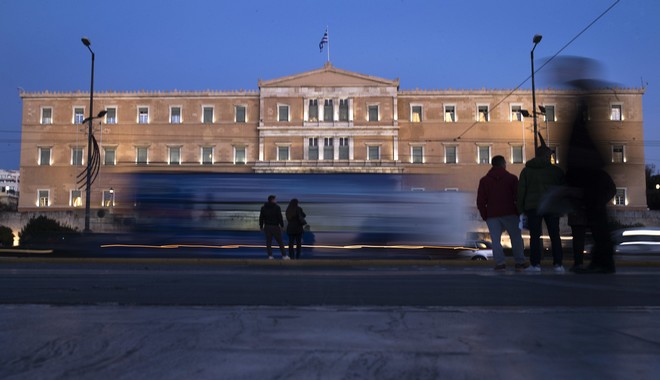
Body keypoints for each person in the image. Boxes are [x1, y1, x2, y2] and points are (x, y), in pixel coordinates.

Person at [518, 139, 565, 272]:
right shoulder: (556, 171)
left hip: (533, 207)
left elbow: (521, 191)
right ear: (546, 156)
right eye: (550, 155)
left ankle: (535, 264)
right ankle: (558, 264)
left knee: (535, 236)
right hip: (551, 207)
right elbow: (562, 191)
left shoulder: (527, 171)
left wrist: (521, 209)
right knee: (555, 235)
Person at [477, 155, 527, 272]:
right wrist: (519, 212)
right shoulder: (512, 179)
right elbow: (518, 197)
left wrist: (485, 215)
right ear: (503, 164)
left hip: (492, 215)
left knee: (495, 240)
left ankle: (500, 263)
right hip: (510, 213)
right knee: (516, 238)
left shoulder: (484, 180)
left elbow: (480, 200)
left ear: (492, 165)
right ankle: (519, 262)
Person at [259, 195, 289, 260]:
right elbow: (279, 217)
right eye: (275, 199)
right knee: (280, 242)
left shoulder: (263, 208)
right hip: (275, 227)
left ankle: (270, 256)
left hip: (267, 227)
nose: (276, 200)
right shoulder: (277, 207)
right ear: (272, 200)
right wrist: (282, 225)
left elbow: (261, 218)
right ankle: (284, 255)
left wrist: (261, 226)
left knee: (268, 242)